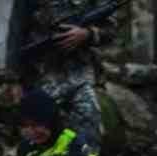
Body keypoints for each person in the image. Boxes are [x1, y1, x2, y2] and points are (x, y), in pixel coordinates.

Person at [21, 0, 116, 145]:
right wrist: (15, 78)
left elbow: (110, 30)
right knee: (37, 134)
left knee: (89, 128)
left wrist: (87, 34)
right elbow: (15, 34)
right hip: (40, 76)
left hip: (80, 76)